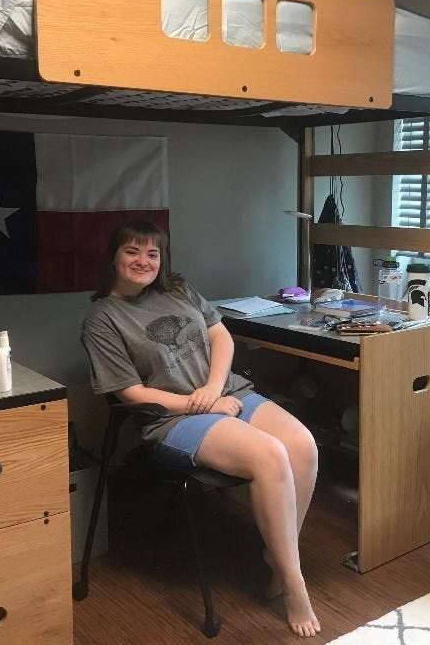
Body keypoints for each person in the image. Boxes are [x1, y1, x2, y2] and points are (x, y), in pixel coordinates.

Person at [81, 219, 321, 638]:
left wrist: (213, 388)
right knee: (270, 456)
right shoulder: (103, 318)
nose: (144, 261)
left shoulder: (178, 288)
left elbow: (221, 336)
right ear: (113, 258)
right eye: (132, 252)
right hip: (171, 418)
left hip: (226, 392)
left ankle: (277, 558)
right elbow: (130, 393)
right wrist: (202, 403)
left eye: (152, 253)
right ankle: (294, 582)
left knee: (303, 445)